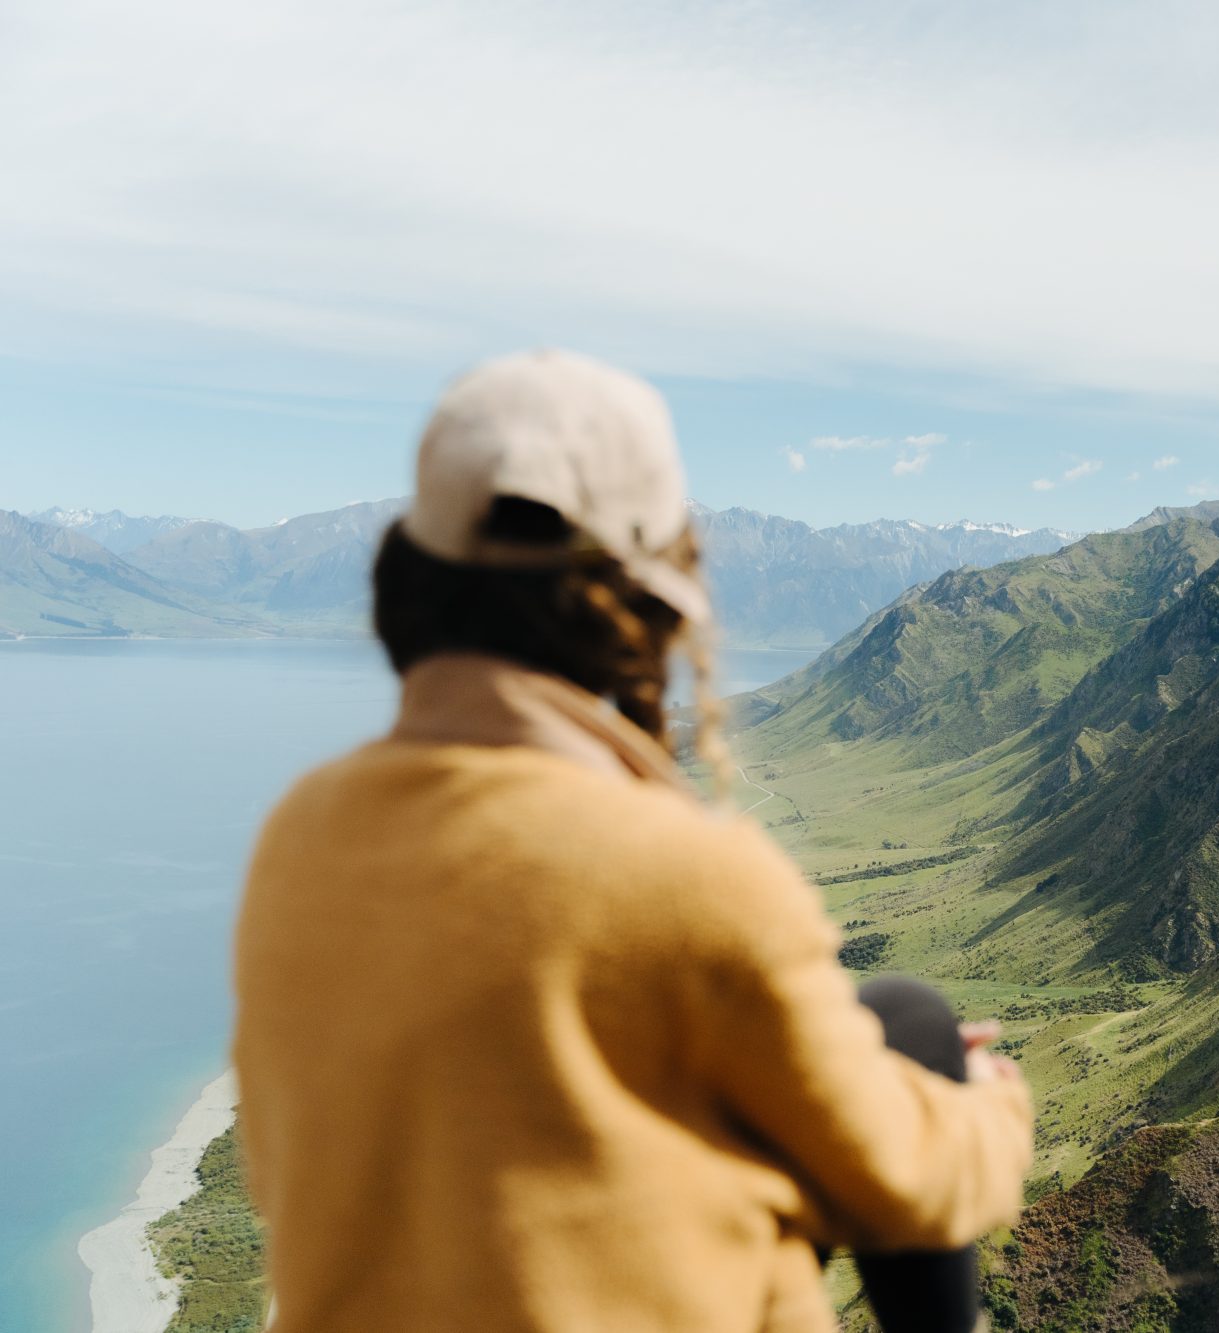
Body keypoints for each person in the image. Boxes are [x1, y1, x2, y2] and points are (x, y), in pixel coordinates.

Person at [231, 350, 1034, 1332]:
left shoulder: (302, 833)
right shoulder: (683, 875)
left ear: (411, 581)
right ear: (652, 600)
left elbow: (286, 1171)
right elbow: (911, 1183)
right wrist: (990, 1104)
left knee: (897, 1015)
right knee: (917, 1042)